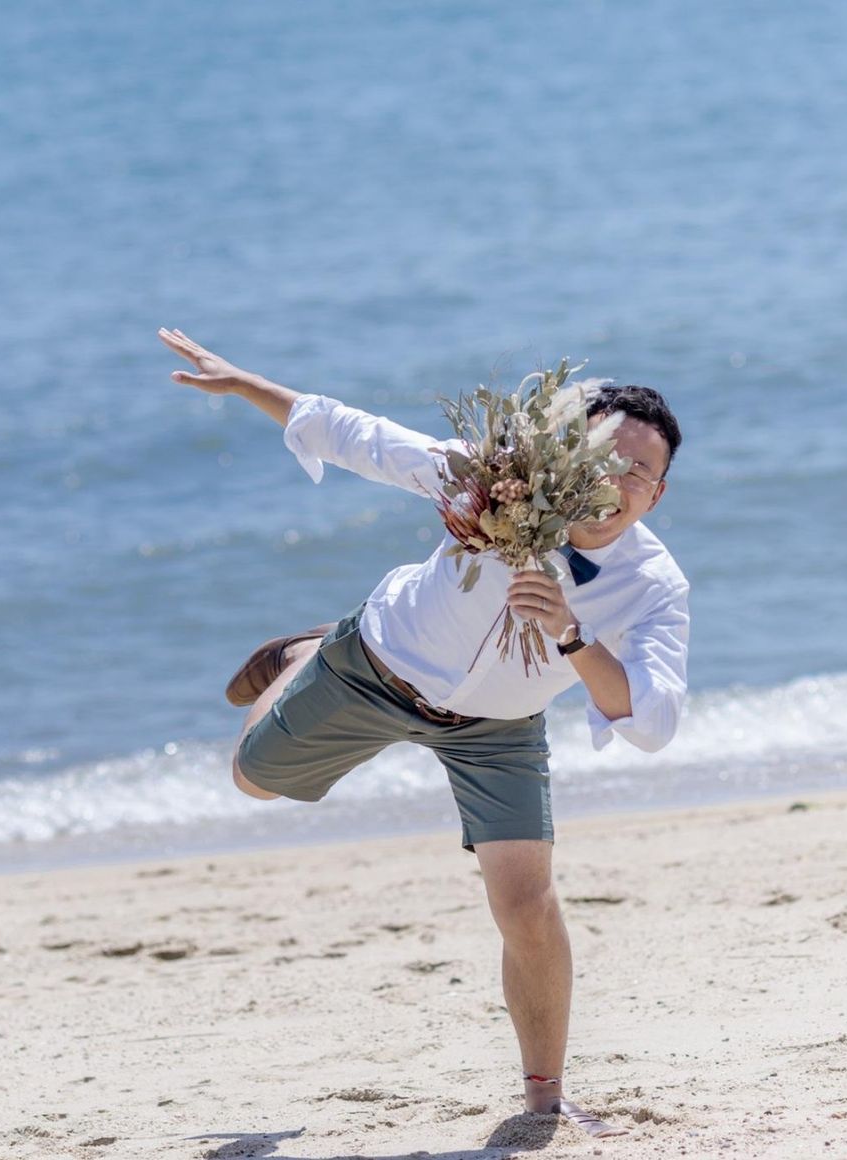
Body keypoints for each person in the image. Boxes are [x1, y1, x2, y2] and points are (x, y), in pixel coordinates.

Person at [158, 328, 689, 1138]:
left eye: (639, 473)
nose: (616, 481)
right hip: (378, 666)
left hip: (498, 728)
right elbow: (364, 438)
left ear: (658, 495)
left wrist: (574, 635)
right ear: (567, 454)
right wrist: (245, 384)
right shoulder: (497, 482)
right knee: (253, 780)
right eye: (603, 458)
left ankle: (545, 1099)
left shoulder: (654, 587)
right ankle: (303, 654)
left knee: (528, 905)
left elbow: (653, 719)